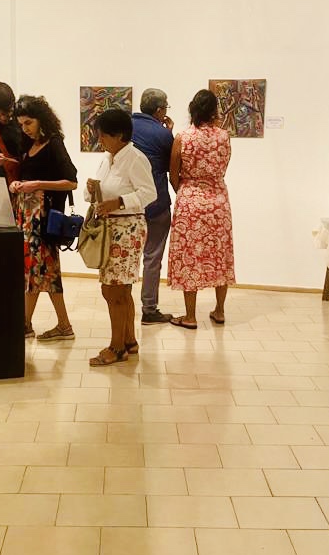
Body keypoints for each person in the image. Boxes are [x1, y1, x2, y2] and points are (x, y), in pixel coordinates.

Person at [86, 108, 157, 366]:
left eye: (103, 135)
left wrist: (119, 202)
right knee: (120, 289)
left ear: (119, 135)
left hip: (127, 229)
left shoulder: (135, 158)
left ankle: (116, 348)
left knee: (114, 289)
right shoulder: (108, 158)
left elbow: (149, 193)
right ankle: (129, 341)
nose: (100, 140)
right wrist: (91, 190)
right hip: (111, 228)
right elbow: (101, 192)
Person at [9, 95, 78, 341]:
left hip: (43, 219)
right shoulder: (28, 144)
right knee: (42, 272)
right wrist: (19, 184)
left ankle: (32, 324)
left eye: (28, 122)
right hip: (28, 218)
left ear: (41, 119)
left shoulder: (54, 143)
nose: (25, 128)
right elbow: (28, 178)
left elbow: (71, 181)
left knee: (40, 271)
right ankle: (55, 325)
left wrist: (37, 184)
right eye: (21, 124)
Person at [167, 88, 236, 328]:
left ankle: (190, 316)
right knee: (220, 254)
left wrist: (186, 190)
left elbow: (173, 173)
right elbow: (224, 166)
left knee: (190, 256)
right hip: (218, 202)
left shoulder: (183, 137)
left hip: (190, 202)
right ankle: (220, 310)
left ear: (192, 109)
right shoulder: (224, 137)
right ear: (214, 110)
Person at [131, 88, 175, 324]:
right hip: (156, 203)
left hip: (128, 203)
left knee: (126, 256)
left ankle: (123, 305)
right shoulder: (162, 133)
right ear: (159, 110)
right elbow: (172, 165)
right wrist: (168, 132)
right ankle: (149, 309)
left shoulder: (126, 126)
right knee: (152, 257)